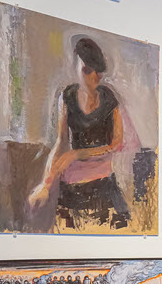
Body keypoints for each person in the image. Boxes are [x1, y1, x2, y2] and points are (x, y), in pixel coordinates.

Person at [28, 37, 131, 230]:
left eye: (95, 72)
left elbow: (116, 144)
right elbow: (61, 142)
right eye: (86, 70)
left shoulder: (109, 99)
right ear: (76, 67)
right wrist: (45, 184)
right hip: (70, 190)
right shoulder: (67, 97)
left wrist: (78, 153)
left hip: (103, 186)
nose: (92, 77)